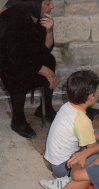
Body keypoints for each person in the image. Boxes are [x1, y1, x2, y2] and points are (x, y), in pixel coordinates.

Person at [40, 70, 99, 189]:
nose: (98, 93)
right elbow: (92, 149)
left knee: (97, 138)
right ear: (90, 96)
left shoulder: (67, 106)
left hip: (54, 159)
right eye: (96, 91)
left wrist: (97, 137)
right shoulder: (83, 120)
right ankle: (67, 181)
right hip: (64, 166)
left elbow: (75, 132)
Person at [0, 0, 57, 138]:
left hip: (25, 60)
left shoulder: (34, 15)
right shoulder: (11, 18)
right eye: (47, 3)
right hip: (9, 64)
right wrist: (42, 69)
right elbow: (13, 56)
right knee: (18, 75)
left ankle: (45, 108)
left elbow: (45, 50)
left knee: (50, 60)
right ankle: (18, 120)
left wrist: (49, 31)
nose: (52, 6)